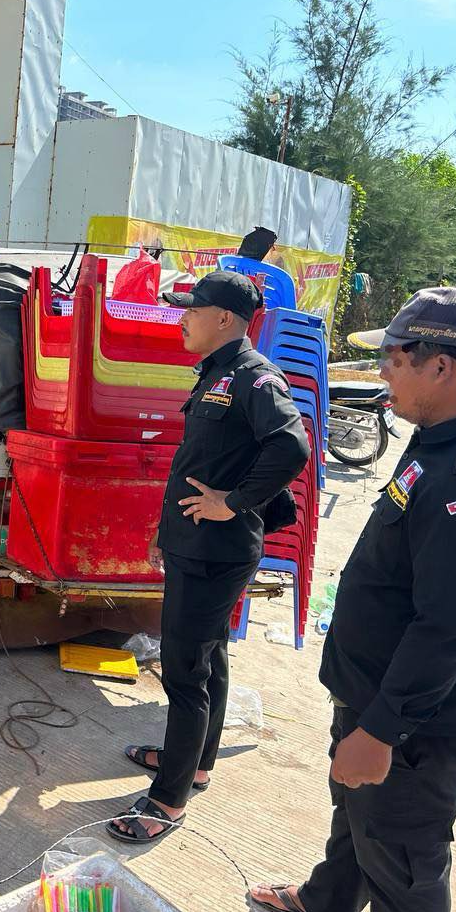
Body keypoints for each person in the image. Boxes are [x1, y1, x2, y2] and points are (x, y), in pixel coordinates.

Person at [247, 287, 456, 912]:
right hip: (378, 694)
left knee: (404, 866)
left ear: (441, 365)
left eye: (393, 358)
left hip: (413, 728)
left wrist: (381, 732)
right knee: (358, 821)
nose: (382, 371)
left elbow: (446, 630)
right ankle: (326, 904)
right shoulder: (442, 440)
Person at [108, 270, 310, 844]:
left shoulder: (253, 376)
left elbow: (291, 446)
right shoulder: (216, 373)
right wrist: (165, 528)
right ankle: (194, 763)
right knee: (209, 656)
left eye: (192, 310)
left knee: (184, 670)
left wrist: (234, 502)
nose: (183, 319)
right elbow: (198, 460)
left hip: (215, 551)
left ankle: (167, 801)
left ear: (224, 319)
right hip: (193, 543)